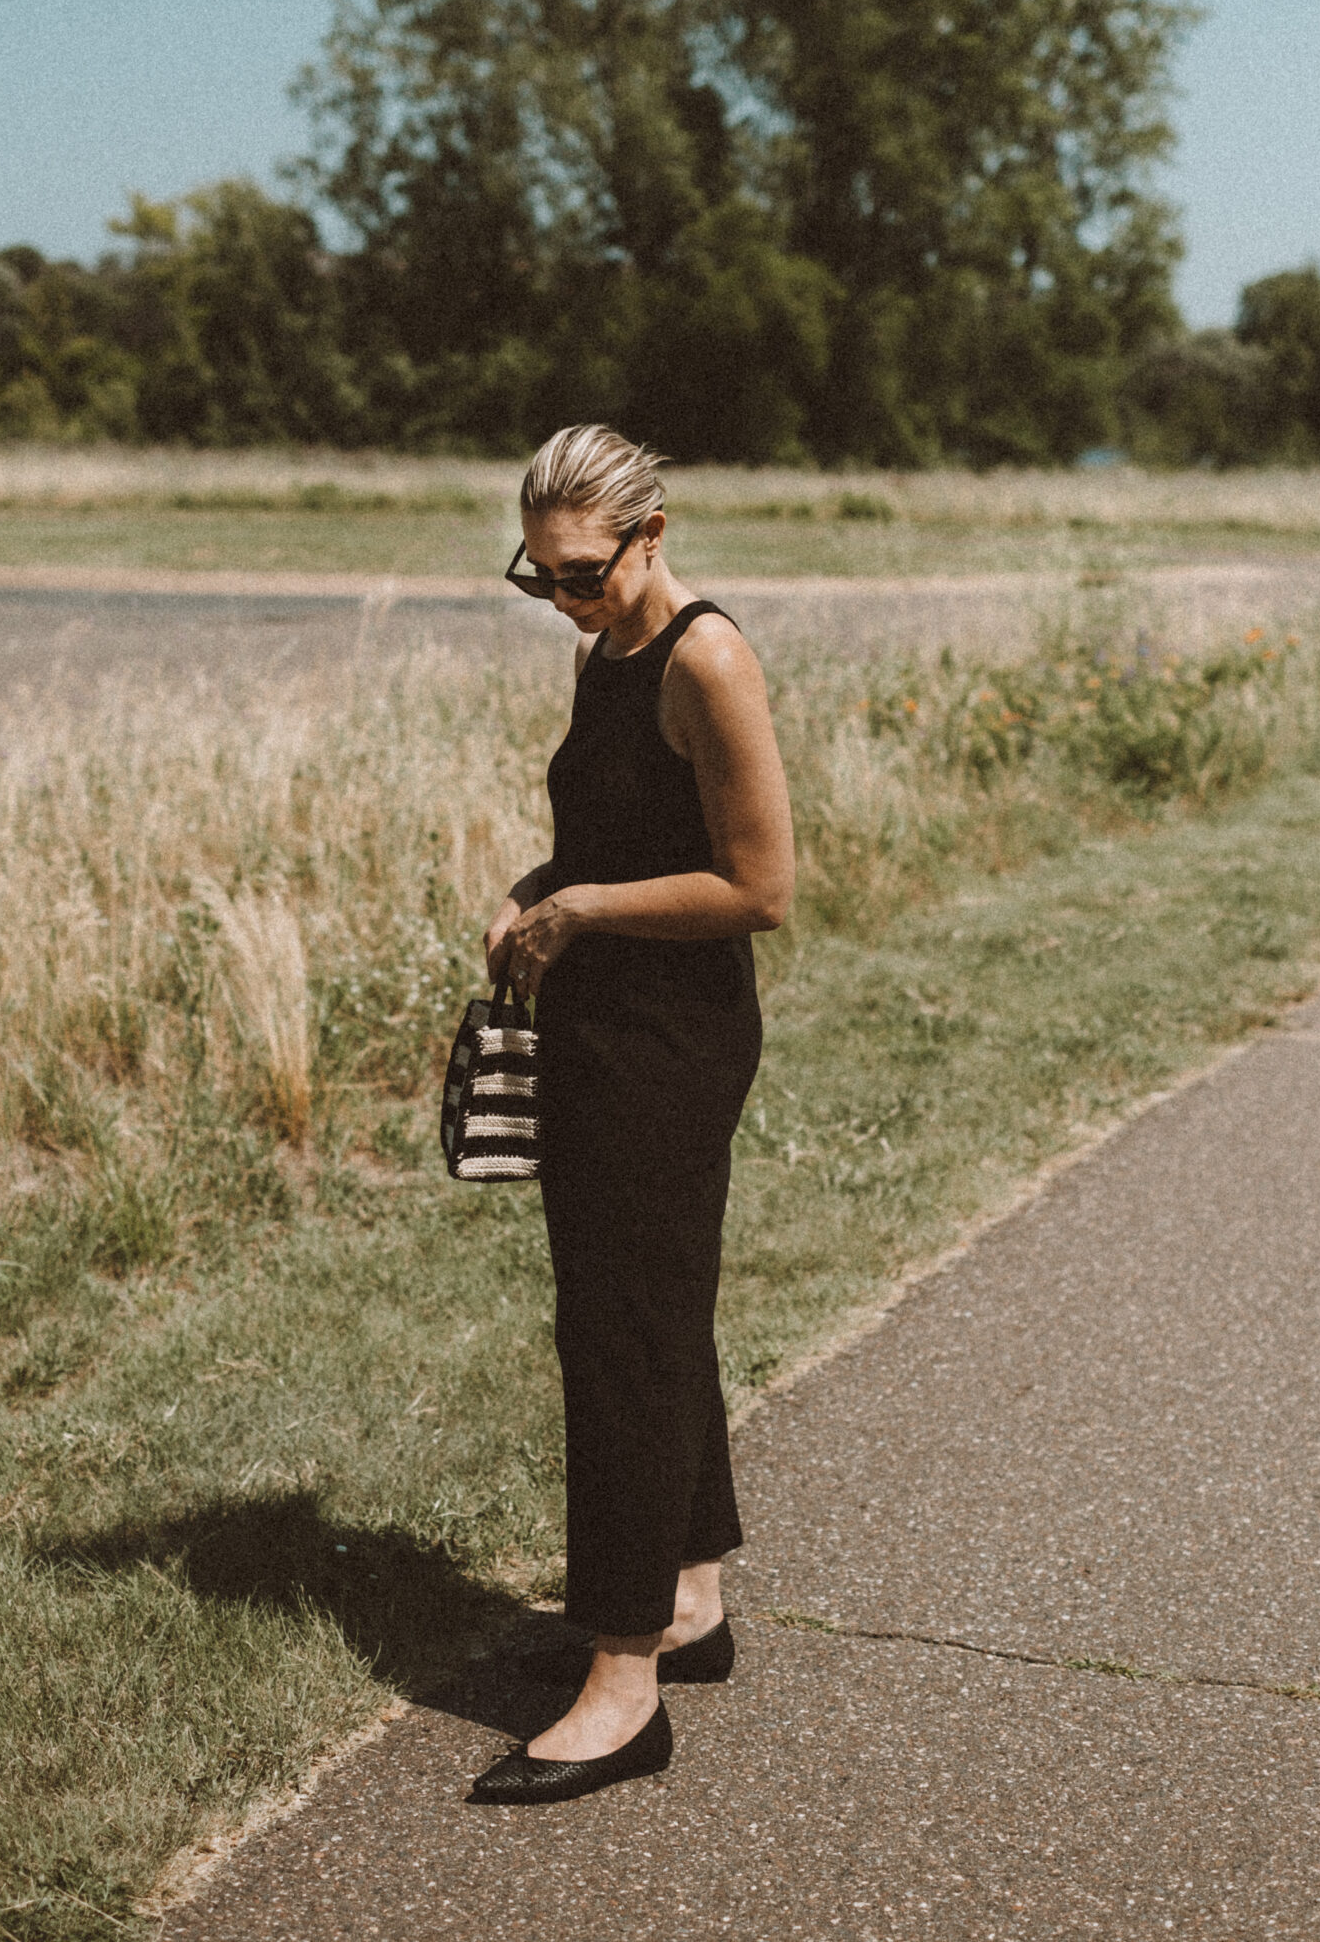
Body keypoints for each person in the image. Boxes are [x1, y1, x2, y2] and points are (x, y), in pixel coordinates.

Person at [469, 425, 794, 1806]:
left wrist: (583, 908)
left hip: (672, 1039)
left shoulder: (706, 658)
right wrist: (539, 885)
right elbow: (615, 835)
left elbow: (759, 889)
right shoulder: (602, 645)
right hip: (601, 1025)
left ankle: (623, 1684)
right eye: (537, 577)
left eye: (584, 573)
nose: (563, 598)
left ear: (653, 538)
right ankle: (688, 1594)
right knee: (647, 1316)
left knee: (620, 1339)